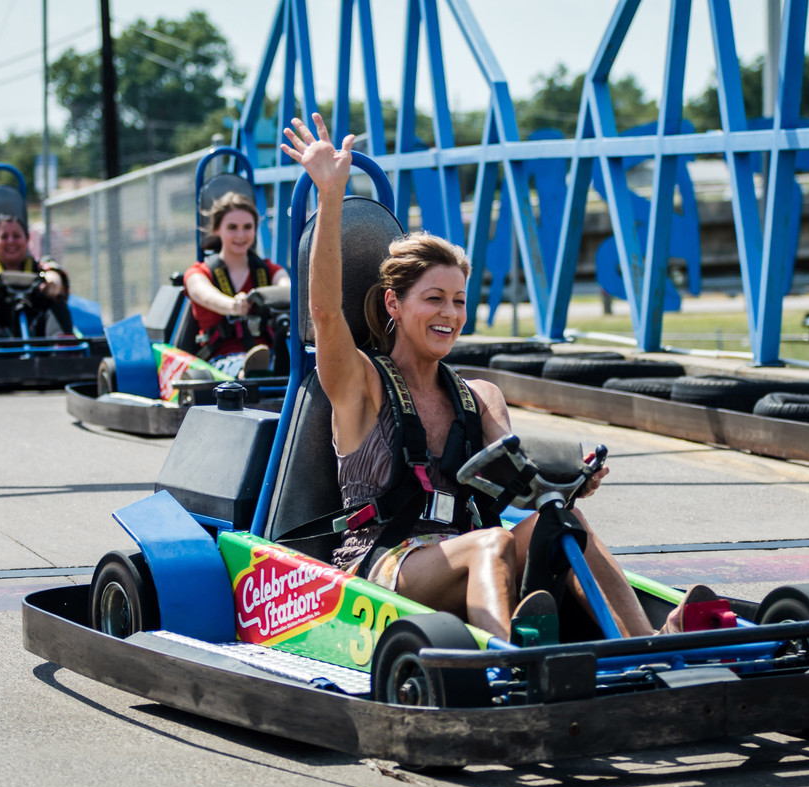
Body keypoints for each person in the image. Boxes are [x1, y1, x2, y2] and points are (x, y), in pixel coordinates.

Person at [281, 113, 673, 642]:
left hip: (467, 545)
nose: (451, 314)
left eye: (460, 301)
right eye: (435, 299)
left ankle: (649, 648)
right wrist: (331, 197)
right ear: (394, 303)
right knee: (489, 544)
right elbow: (326, 314)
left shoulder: (478, 395)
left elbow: (514, 486)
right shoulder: (363, 383)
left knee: (562, 525)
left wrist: (572, 483)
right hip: (383, 564)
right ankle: (505, 661)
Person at [183, 191, 289, 378]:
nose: (241, 235)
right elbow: (205, 295)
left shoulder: (269, 271)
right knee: (239, 367)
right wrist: (233, 306)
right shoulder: (199, 273)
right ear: (217, 229)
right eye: (232, 227)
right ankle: (247, 372)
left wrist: (267, 297)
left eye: (247, 227)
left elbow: (287, 290)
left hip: (270, 354)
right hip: (221, 360)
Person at [0, 214, 72, 339]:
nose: (11, 241)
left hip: (38, 338)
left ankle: (63, 352)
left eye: (17, 236)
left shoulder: (40, 267)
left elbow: (54, 278)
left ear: (27, 239)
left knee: (57, 306)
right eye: (4, 236)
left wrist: (49, 284)